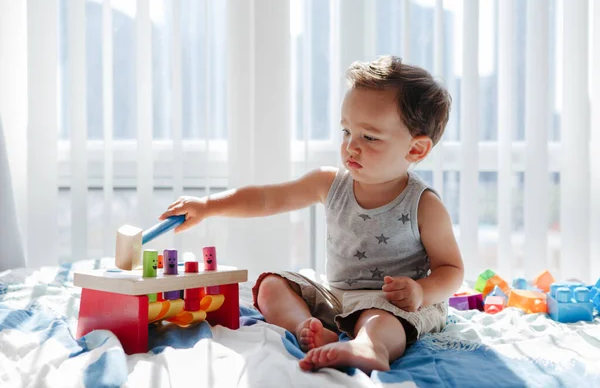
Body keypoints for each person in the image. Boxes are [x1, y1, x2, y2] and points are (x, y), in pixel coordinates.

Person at [159, 55, 464, 374]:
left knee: (380, 320)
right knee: (272, 284)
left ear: (415, 149)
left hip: (393, 305)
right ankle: (307, 327)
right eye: (347, 131)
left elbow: (451, 268)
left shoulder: (423, 204)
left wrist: (421, 292)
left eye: (369, 137)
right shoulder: (329, 183)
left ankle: (369, 347)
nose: (351, 147)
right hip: (336, 295)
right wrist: (208, 206)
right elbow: (266, 199)